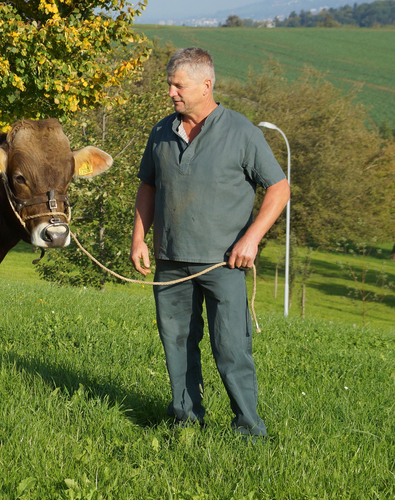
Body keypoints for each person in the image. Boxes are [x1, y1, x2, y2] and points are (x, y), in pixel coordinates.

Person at [129, 47, 290, 438]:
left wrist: (251, 239)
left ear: (206, 85)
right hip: (171, 262)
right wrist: (139, 238)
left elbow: (279, 188)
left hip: (225, 263)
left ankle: (249, 429)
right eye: (169, 84)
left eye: (178, 85)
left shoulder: (242, 132)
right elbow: (147, 185)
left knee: (231, 348)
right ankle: (186, 421)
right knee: (177, 343)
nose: (171, 92)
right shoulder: (161, 132)